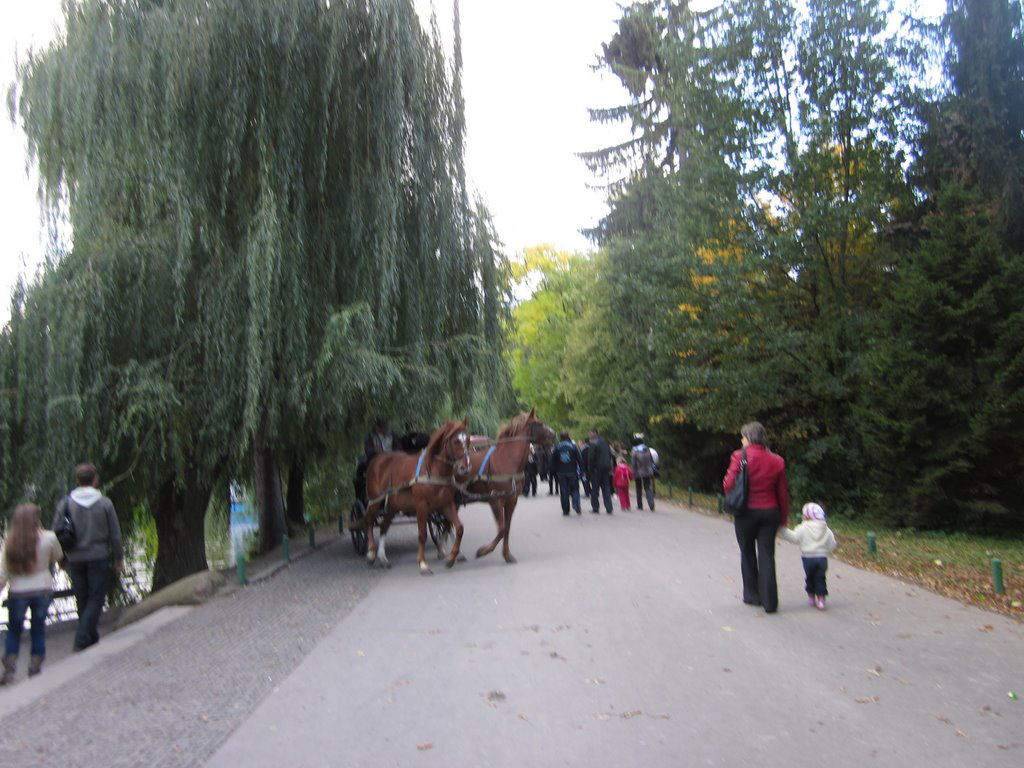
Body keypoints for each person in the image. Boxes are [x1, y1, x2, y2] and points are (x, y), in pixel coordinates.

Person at [53, 463, 124, 651]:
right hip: (98, 555)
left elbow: (56, 532)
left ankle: (91, 638)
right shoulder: (105, 503)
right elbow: (115, 534)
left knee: (82, 597)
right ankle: (82, 637)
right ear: (95, 480)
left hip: (74, 557)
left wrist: (61, 559)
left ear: (78, 480)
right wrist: (119, 558)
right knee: (97, 597)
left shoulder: (65, 503)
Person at [722, 421, 790, 614]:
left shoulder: (739, 456)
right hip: (770, 512)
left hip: (746, 513)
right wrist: (783, 518)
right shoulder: (777, 460)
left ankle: (753, 596)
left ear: (749, 438)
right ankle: (770, 602)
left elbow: (728, 484)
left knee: (747, 552)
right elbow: (782, 493)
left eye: (743, 437)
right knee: (767, 554)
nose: (741, 440)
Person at [1, 504, 63, 684]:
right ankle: (35, 666)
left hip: (17, 592)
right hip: (42, 589)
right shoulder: (49, 537)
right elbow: (58, 557)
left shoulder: (9, 542)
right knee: (38, 628)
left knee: (14, 630)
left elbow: (3, 572)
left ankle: (10, 668)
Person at [780, 502, 838, 611]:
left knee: (810, 577)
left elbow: (794, 537)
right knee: (820, 578)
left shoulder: (803, 528)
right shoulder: (826, 529)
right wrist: (826, 551)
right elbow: (832, 544)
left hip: (808, 558)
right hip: (822, 558)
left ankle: (811, 596)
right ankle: (821, 600)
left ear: (807, 516)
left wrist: (783, 529)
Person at [550, 432, 583, 516]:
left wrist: (554, 471)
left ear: (561, 437)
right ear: (568, 437)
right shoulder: (573, 446)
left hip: (561, 472)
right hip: (572, 472)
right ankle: (576, 504)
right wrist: (582, 470)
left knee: (564, 491)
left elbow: (552, 461)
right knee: (575, 489)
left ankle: (565, 509)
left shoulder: (557, 447)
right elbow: (579, 459)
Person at [587, 428, 614, 514]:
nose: (589, 434)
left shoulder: (593, 443)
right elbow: (609, 454)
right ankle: (609, 507)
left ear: (594, 433)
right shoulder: (605, 442)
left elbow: (591, 457)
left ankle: (595, 507)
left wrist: (590, 468)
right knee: (606, 488)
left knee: (595, 489)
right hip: (606, 468)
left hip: (596, 469)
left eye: (590, 433)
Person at [630, 433, 656, 511]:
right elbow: (651, 460)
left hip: (638, 471)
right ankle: (651, 504)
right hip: (648, 470)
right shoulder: (647, 449)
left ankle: (640, 505)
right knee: (648, 487)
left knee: (638, 488)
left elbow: (633, 463)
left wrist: (633, 472)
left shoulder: (634, 450)